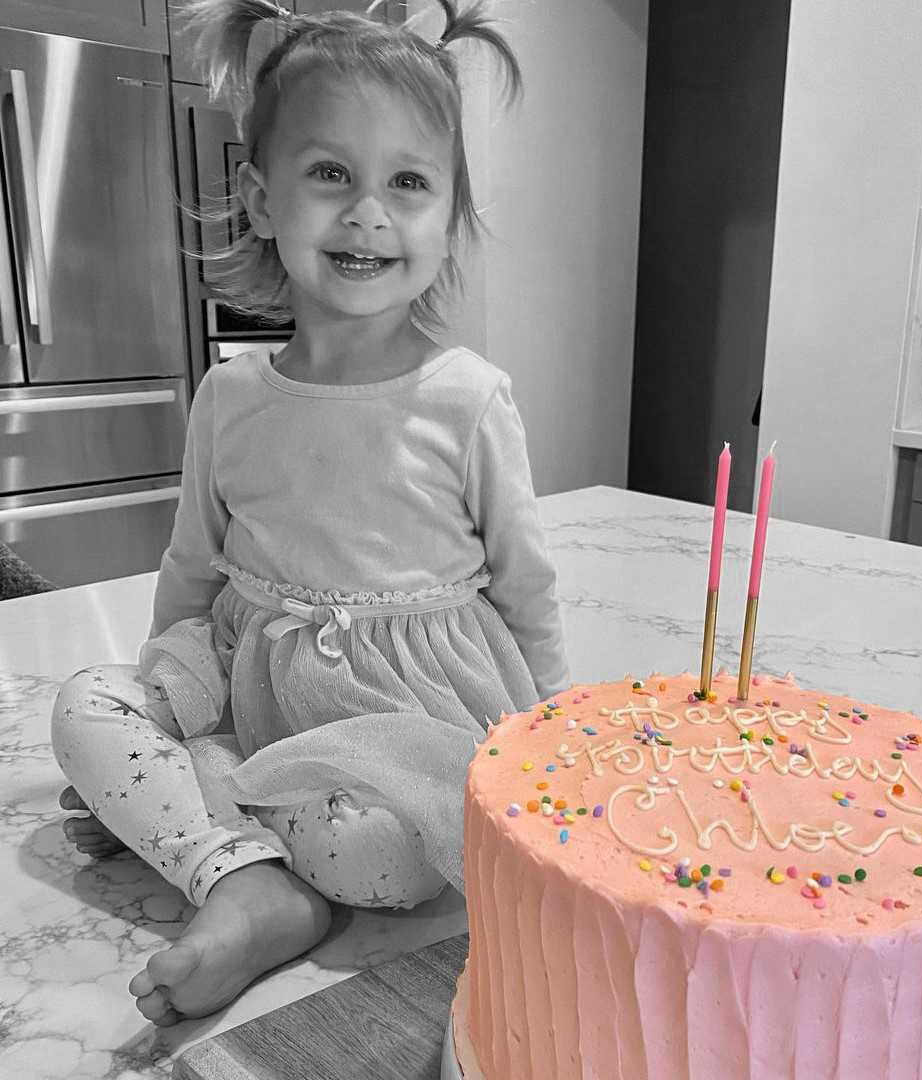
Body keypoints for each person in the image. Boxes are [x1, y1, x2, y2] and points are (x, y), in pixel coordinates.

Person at [51, 0, 567, 1027]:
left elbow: (528, 589)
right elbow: (192, 569)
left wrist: (552, 763)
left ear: (449, 211)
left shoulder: (467, 399)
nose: (369, 212)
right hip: (252, 698)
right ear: (261, 198)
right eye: (331, 173)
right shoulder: (230, 399)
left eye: (408, 182)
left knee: (380, 852)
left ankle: (220, 850)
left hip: (408, 734)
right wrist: (161, 704)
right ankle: (245, 874)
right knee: (83, 708)